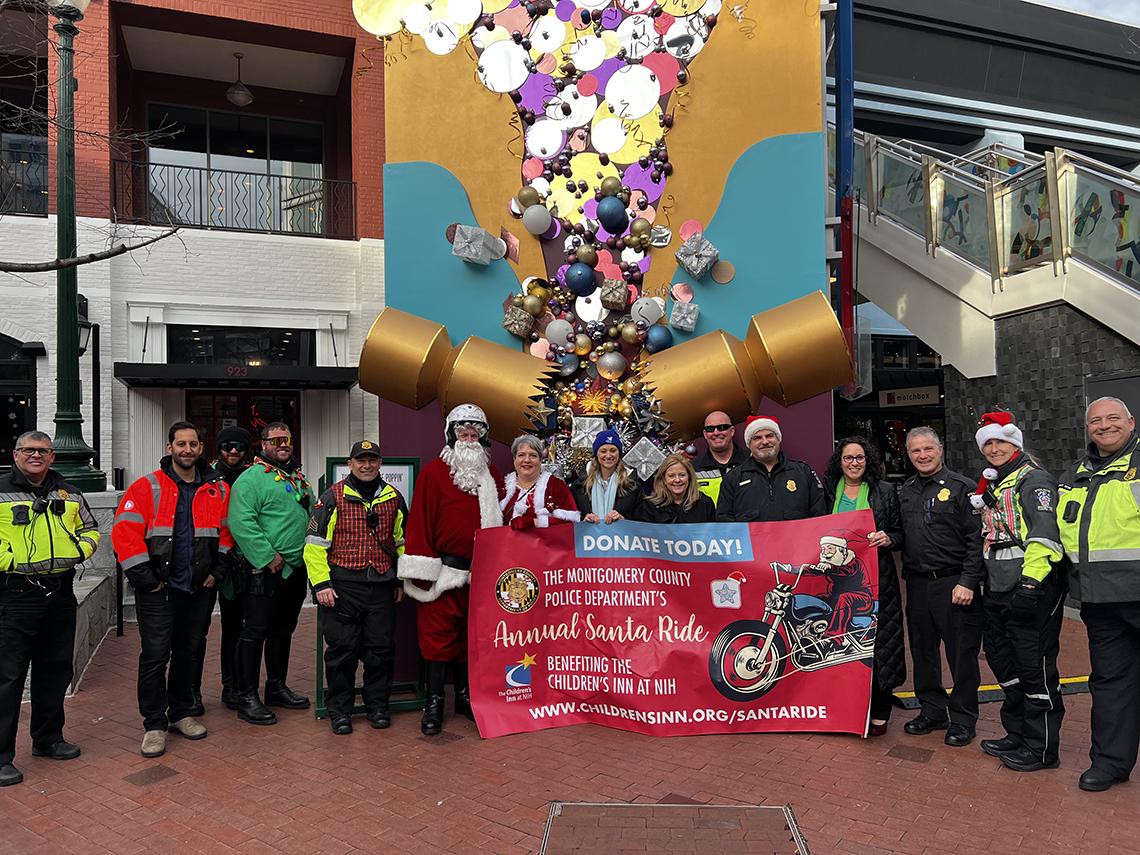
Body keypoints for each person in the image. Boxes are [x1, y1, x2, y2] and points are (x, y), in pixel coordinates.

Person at [112, 421, 233, 759]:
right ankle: (154, 724)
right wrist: (146, 578)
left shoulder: (217, 489)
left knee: (189, 652)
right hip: (158, 590)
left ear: (200, 448)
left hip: (198, 588)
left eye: (193, 444)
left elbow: (225, 535)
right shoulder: (146, 486)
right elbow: (124, 534)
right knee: (154, 657)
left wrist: (217, 572)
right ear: (170, 447)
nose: (187, 450)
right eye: (181, 444)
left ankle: (181, 712)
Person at [0, 432, 100, 787]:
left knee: (55, 670)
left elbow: (91, 528)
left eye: (42, 451)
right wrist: (12, 561)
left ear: (52, 456)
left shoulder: (69, 492)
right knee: (9, 677)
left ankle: (48, 739)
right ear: (16, 455)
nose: (36, 456)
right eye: (29, 450)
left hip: (60, 592)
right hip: (16, 595)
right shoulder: (1, 489)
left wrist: (78, 552)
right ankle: (2, 757)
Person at [968, 412, 1066, 772]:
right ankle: (1018, 732)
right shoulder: (994, 483)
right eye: (987, 444)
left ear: (1016, 443)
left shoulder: (1033, 480)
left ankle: (1041, 748)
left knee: (1033, 665)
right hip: (997, 585)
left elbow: (1043, 534)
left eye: (1000, 442)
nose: (994, 449)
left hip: (1030, 587)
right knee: (1002, 660)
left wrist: (1030, 584)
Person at [398, 404, 504, 736]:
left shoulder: (493, 476)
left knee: (470, 639)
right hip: (444, 573)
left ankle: (463, 696)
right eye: (463, 433)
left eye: (475, 434)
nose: (469, 439)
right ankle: (433, 702)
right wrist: (422, 571)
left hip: (481, 575)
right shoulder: (433, 473)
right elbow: (420, 523)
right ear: (451, 436)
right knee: (436, 640)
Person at [1058, 396, 1140, 792]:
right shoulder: (1075, 473)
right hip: (1099, 601)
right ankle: (1110, 763)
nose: (1104, 426)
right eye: (1095, 421)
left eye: (1112, 419)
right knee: (1111, 683)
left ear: (1131, 422)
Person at [305, 441, 407, 735]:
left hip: (381, 586)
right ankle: (340, 711)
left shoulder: (393, 498)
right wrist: (321, 584)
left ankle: (377, 707)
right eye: (360, 460)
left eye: (372, 460)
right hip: (343, 587)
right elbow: (314, 547)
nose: (366, 466)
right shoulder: (332, 498)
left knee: (380, 651)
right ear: (350, 464)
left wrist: (400, 579)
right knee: (342, 651)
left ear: (379, 463)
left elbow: (401, 543)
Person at [898, 426, 984, 748]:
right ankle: (932, 710)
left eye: (927, 449)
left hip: (954, 584)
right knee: (922, 651)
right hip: (918, 585)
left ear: (940, 450)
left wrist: (968, 581)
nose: (922, 456)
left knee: (961, 655)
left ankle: (963, 719)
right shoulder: (905, 490)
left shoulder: (963, 488)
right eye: (915, 451)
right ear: (909, 455)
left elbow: (977, 540)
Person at [228, 422, 315, 726]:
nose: (283, 444)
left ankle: (276, 686)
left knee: (283, 631)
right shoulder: (251, 479)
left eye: (287, 439)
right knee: (255, 632)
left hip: (294, 569)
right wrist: (267, 556)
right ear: (262, 444)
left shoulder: (298, 478)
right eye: (276, 439)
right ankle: (246, 696)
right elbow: (241, 521)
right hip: (262, 571)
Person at [822, 436, 905, 737]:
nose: (854, 463)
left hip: (877, 578)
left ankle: (880, 710)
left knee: (880, 645)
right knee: (840, 647)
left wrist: (890, 538)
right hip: (835, 579)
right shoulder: (828, 491)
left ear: (867, 460)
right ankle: (845, 708)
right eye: (848, 458)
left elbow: (900, 532)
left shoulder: (884, 491)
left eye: (859, 457)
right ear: (839, 462)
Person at [209, 426, 252, 711]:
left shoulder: (254, 476)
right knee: (231, 626)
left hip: (248, 559)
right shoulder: (207, 476)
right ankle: (229, 685)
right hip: (216, 561)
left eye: (238, 446)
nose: (233, 451)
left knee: (249, 627)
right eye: (227, 446)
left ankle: (244, 684)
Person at [717, 415, 826, 522]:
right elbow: (724, 522)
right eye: (757, 438)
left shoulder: (803, 472)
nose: (764, 442)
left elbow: (819, 516)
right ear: (749, 444)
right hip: (751, 540)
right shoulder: (733, 477)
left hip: (796, 540)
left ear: (778, 439)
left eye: (769, 436)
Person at [502, 435, 580, 529]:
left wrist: (534, 522)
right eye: (521, 455)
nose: (527, 460)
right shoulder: (502, 488)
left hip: (544, 543)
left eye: (533, 455)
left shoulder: (555, 486)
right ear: (514, 460)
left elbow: (570, 523)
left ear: (540, 460)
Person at [570, 429, 642, 524]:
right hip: (589, 537)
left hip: (620, 537)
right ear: (596, 454)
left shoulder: (632, 486)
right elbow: (571, 518)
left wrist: (624, 520)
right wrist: (583, 520)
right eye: (603, 451)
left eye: (613, 451)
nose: (608, 456)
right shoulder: (579, 486)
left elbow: (641, 522)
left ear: (619, 453)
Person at [634, 453, 716, 524]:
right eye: (671, 476)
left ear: (690, 477)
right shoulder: (650, 507)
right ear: (664, 479)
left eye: (682, 475)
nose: (677, 480)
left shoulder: (705, 504)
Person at [691, 411, 749, 506]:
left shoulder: (751, 461)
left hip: (744, 520)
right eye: (710, 429)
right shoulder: (693, 468)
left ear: (732, 431)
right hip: (709, 520)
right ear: (705, 434)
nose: (716, 433)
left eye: (722, 427)